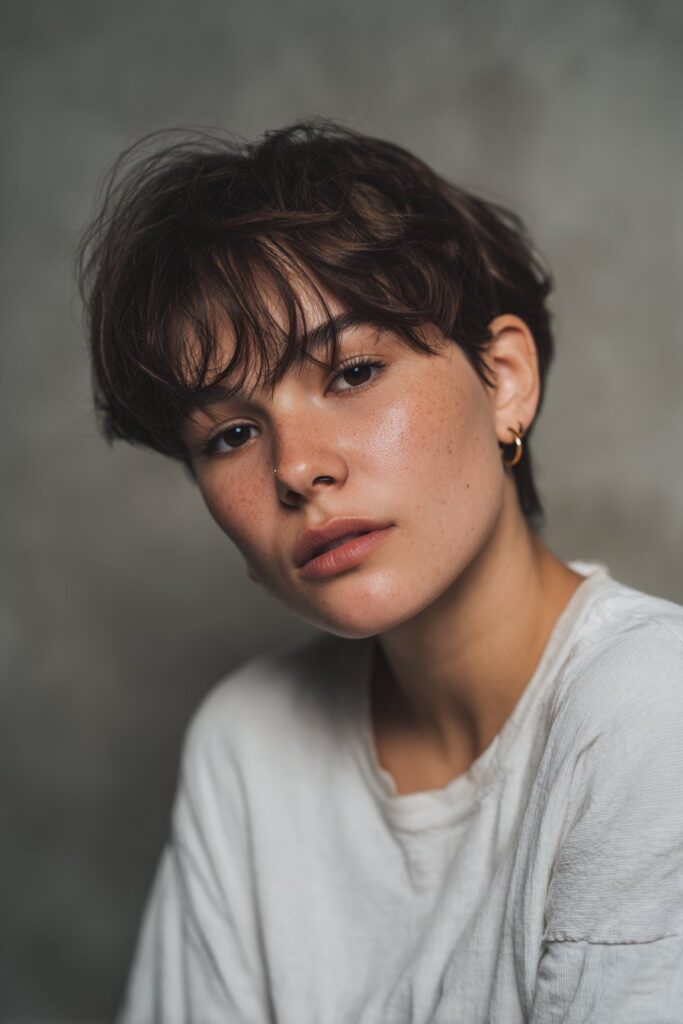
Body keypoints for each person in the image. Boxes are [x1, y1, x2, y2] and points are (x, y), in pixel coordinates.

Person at [77, 119, 683, 1023]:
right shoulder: (249, 744)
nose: (294, 467)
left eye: (353, 372)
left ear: (503, 378)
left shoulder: (649, 711)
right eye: (231, 435)